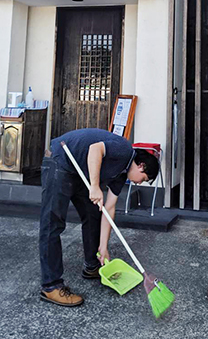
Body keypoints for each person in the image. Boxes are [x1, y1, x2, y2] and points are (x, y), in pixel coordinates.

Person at [39, 128, 160, 307]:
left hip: (79, 171)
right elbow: (95, 149)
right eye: (143, 178)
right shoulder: (124, 150)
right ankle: (51, 286)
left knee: (94, 212)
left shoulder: (120, 175)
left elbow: (109, 209)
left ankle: (92, 264)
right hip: (60, 160)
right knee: (52, 222)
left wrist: (103, 247)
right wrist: (95, 186)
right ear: (141, 165)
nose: (139, 182)